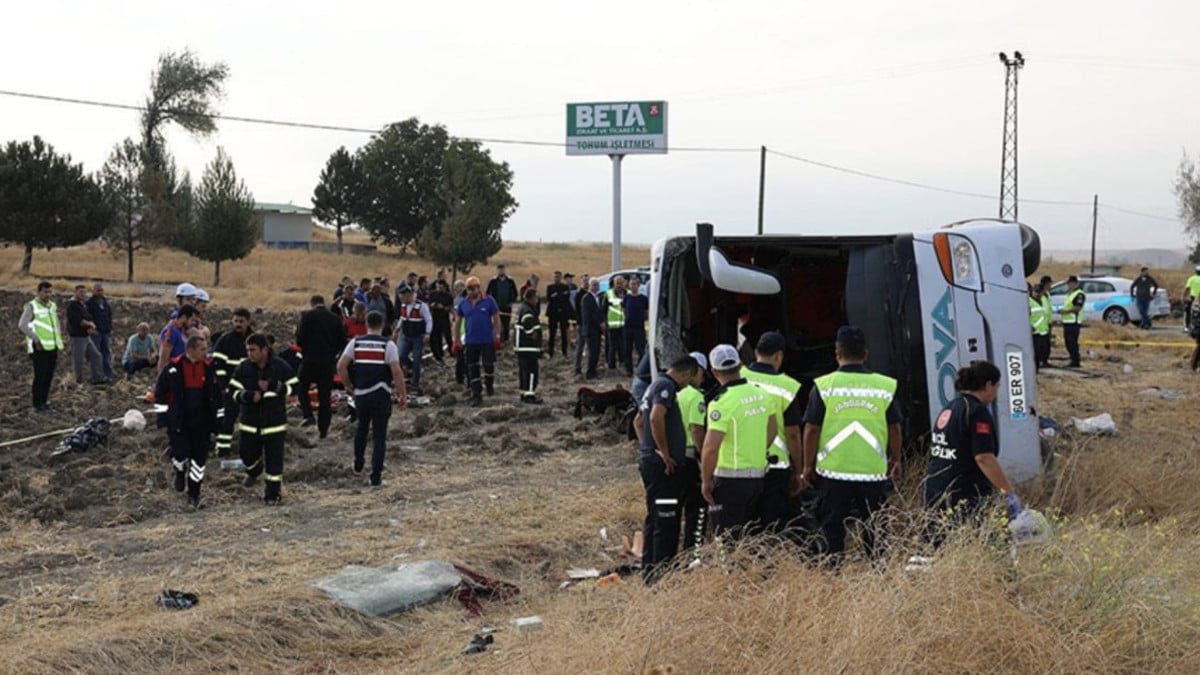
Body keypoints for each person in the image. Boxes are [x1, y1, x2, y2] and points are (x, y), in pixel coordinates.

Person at [801, 326, 902, 564]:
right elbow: (894, 428)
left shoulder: (825, 386)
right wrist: (896, 459)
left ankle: (832, 571)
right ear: (866, 354)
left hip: (834, 471)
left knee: (831, 529)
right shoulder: (884, 386)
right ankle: (878, 571)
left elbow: (812, 429)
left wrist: (807, 466)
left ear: (837, 353)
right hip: (872, 471)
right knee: (875, 528)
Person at [924, 361, 1022, 546]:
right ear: (988, 385)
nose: (996, 393)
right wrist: (1008, 492)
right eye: (997, 387)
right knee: (976, 544)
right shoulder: (977, 413)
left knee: (937, 545)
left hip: (937, 487)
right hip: (963, 492)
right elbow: (983, 457)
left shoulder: (951, 407)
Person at [699, 344, 778, 540]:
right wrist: (756, 450)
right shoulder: (762, 395)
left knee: (726, 539)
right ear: (741, 365)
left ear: (714, 372)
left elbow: (710, 449)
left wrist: (706, 480)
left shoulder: (721, 403)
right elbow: (773, 430)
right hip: (758, 477)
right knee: (750, 537)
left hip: (729, 480)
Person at [635, 355, 702, 580]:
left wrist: (646, 448)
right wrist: (663, 452)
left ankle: (649, 570)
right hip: (662, 468)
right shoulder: (666, 386)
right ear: (686, 373)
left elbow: (638, 422)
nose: (689, 384)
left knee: (654, 518)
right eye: (691, 379)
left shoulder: (653, 385)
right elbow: (655, 418)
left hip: (651, 463)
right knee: (666, 519)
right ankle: (662, 574)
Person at [741, 331, 805, 540]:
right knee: (772, 526)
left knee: (745, 526)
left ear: (756, 352)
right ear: (779, 356)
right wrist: (798, 470)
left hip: (741, 463)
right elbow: (793, 433)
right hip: (775, 466)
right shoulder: (787, 387)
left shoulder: (738, 377)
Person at [338, 310, 408, 486]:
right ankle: (376, 476)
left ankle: (358, 463)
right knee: (379, 436)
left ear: (366, 324)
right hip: (381, 394)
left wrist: (349, 386)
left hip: (361, 395)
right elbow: (396, 372)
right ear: (383, 325)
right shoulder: (388, 345)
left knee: (361, 428)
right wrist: (402, 395)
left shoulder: (356, 343)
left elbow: (341, 366)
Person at [229, 333, 298, 504]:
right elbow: (233, 391)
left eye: (253, 350)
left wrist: (275, 387)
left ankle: (272, 495)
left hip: (274, 423)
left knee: (274, 461)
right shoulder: (243, 368)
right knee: (246, 455)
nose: (249, 353)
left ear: (265, 350)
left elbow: (295, 387)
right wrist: (247, 396)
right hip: (249, 423)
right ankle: (254, 470)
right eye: (248, 350)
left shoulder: (280, 366)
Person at [154, 334, 222, 509]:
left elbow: (217, 395)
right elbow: (160, 394)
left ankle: (194, 494)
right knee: (179, 453)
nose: (206, 352)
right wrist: (162, 420)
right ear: (191, 350)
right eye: (202, 349)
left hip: (202, 421)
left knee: (199, 460)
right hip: (179, 420)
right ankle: (179, 470)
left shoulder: (209, 368)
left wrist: (219, 420)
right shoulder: (173, 368)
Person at [296, 295, 347, 439]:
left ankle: (308, 415)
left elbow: (299, 339)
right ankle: (323, 430)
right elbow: (342, 342)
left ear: (312, 304)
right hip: (327, 362)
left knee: (302, 389)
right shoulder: (335, 319)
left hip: (309, 359)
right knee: (325, 397)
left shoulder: (307, 317)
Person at [453, 276, 502, 407]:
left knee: (488, 365)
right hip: (470, 341)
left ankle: (489, 384)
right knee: (472, 367)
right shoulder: (463, 304)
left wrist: (497, 335)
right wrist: (456, 340)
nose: (471, 291)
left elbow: (496, 319)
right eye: (468, 289)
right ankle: (476, 394)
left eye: (473, 288)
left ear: (478, 288)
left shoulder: (489, 301)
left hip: (487, 340)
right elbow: (457, 323)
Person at [18, 281, 64, 413]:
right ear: (38, 292)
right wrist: (35, 339)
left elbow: (55, 324)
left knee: (49, 375)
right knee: (40, 376)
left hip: (52, 346)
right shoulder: (32, 306)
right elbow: (22, 325)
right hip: (39, 347)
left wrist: (58, 340)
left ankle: (44, 402)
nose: (48, 294)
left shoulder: (52, 306)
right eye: (45, 292)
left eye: (50, 292)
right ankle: (37, 405)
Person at [212, 308, 252, 457]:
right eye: (235, 321)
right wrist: (224, 385)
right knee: (228, 419)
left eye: (241, 321)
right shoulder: (225, 340)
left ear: (248, 322)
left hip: (250, 388)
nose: (238, 324)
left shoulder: (255, 340)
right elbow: (217, 364)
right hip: (231, 387)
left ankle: (249, 449)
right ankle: (223, 449)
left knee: (251, 420)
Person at [65, 284, 106, 385]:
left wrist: (91, 327)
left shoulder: (82, 305)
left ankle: (97, 378)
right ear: (75, 292)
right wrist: (90, 324)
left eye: (84, 292)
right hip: (77, 337)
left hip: (86, 336)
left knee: (96, 356)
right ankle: (78, 381)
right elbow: (78, 320)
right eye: (80, 292)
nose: (83, 294)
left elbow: (88, 317)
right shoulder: (73, 305)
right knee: (78, 360)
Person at [393, 285, 433, 389]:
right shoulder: (403, 305)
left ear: (409, 295)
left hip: (417, 336)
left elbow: (428, 319)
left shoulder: (421, 306)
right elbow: (402, 318)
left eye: (403, 297)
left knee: (417, 358)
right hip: (406, 335)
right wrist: (397, 329)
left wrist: (428, 333)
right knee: (401, 356)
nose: (402, 299)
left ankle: (415, 381)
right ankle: (412, 368)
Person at [514, 287, 543, 404]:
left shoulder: (522, 308)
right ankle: (530, 395)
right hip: (528, 347)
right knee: (531, 371)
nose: (537, 300)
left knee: (523, 371)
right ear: (532, 298)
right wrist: (534, 337)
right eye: (536, 297)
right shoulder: (528, 311)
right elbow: (529, 327)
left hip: (521, 347)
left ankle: (523, 392)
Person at [85, 282, 114, 381]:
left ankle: (108, 375)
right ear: (93, 291)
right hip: (96, 333)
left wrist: (109, 327)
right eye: (98, 290)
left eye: (101, 290)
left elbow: (109, 315)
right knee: (96, 355)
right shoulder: (89, 303)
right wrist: (91, 328)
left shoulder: (105, 302)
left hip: (105, 332)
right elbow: (87, 317)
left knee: (106, 354)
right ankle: (97, 376)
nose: (100, 292)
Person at [621, 277, 649, 376]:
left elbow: (646, 313)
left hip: (639, 327)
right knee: (627, 349)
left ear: (638, 285)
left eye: (635, 284)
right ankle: (629, 370)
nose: (633, 286)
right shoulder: (627, 298)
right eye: (631, 284)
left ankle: (640, 369)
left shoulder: (643, 299)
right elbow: (624, 310)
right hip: (628, 327)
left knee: (640, 349)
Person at [158, 305, 199, 372]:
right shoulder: (171, 331)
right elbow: (163, 359)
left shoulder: (181, 330)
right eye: (192, 320)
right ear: (183, 317)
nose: (194, 323)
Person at [576, 278, 603, 379]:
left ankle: (593, 371)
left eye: (597, 285)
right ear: (590, 286)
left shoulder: (597, 297)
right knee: (592, 352)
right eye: (594, 285)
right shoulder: (586, 298)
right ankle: (590, 373)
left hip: (597, 330)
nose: (596, 287)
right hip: (590, 329)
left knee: (596, 352)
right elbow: (589, 315)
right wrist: (599, 323)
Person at [601, 275, 628, 372]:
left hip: (624, 325)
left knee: (623, 346)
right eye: (617, 283)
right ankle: (611, 365)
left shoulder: (627, 294)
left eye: (621, 283)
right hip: (612, 325)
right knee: (612, 346)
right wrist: (604, 322)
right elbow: (603, 309)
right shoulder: (608, 294)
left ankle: (622, 362)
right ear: (614, 284)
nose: (619, 285)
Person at [486, 264, 519, 342]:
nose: (501, 271)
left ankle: (506, 339)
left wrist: (512, 302)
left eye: (502, 270)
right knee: (497, 323)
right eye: (499, 270)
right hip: (497, 307)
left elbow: (515, 293)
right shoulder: (493, 281)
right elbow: (488, 293)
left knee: (506, 324)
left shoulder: (510, 281)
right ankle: (498, 339)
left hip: (507, 306)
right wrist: (491, 303)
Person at [427, 280, 455, 366]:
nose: (439, 289)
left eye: (441, 287)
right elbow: (428, 304)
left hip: (444, 318)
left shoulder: (448, 296)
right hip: (434, 318)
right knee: (436, 337)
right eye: (438, 287)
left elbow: (450, 307)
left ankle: (451, 351)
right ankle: (439, 353)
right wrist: (432, 305)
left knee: (447, 335)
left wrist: (443, 307)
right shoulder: (432, 294)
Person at [1060, 275, 1086, 368]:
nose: (1068, 285)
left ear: (1075, 283)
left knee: (1072, 342)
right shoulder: (1070, 294)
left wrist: (1065, 311)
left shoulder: (1079, 294)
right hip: (1067, 321)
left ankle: (1075, 361)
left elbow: (1077, 308)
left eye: (1070, 283)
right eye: (1068, 283)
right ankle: (1073, 359)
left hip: (1074, 321)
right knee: (1068, 342)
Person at [545, 271, 572, 358]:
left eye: (558, 277)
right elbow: (549, 298)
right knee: (552, 333)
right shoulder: (550, 287)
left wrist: (557, 297)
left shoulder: (565, 287)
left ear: (561, 278)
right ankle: (551, 352)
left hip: (563, 313)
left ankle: (564, 352)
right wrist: (557, 297)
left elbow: (566, 298)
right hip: (553, 313)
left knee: (564, 333)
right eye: (555, 277)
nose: (557, 278)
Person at [1029, 284, 1051, 370]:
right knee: (1035, 354)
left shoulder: (1044, 300)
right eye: (1035, 292)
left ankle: (1038, 368)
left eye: (1039, 292)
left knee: (1042, 352)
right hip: (1034, 332)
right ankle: (1034, 369)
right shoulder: (1029, 302)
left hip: (1043, 331)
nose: (1037, 294)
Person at [1184, 266, 1200, 333]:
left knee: (1188, 312)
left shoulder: (1191, 278)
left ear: (1195, 271)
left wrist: (1184, 296)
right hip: (1199, 298)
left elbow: (1187, 288)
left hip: (1192, 298)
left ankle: (1187, 327)